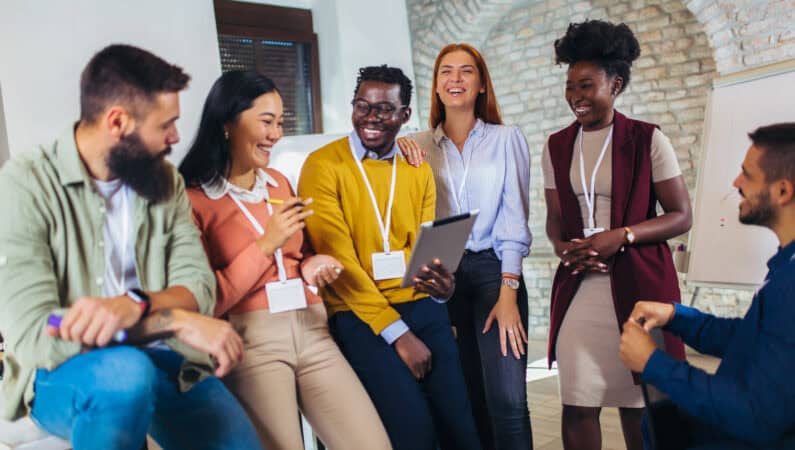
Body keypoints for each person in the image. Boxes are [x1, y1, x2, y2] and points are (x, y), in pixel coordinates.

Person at [0, 45, 262, 450]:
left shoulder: (166, 181)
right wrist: (170, 320)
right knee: (126, 373)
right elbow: (37, 328)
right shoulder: (25, 184)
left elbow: (198, 286)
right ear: (118, 122)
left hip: (166, 358)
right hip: (61, 366)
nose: (176, 137)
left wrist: (135, 304)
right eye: (165, 125)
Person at [179, 70, 392, 450]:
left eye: (279, 122)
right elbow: (207, 301)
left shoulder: (278, 182)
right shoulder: (193, 200)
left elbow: (297, 254)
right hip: (252, 342)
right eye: (266, 122)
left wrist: (312, 265)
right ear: (227, 123)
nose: (276, 134)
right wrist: (265, 244)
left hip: (312, 329)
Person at [297, 65, 482, 450]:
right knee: (413, 433)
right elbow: (339, 264)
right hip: (360, 314)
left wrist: (442, 288)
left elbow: (424, 250)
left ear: (404, 115)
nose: (371, 117)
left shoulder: (417, 168)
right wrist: (399, 334)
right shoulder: (322, 166)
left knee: (461, 428)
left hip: (421, 305)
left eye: (384, 109)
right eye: (362, 106)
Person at [542, 20, 692, 450]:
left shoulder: (647, 139)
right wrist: (561, 246)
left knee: (639, 405)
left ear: (616, 84)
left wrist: (622, 236)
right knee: (577, 402)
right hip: (581, 285)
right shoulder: (557, 146)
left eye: (586, 86)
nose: (576, 96)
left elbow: (681, 215)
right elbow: (555, 216)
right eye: (570, 87)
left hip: (641, 284)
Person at [620, 123, 795, 450]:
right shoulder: (786, 263)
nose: (736, 183)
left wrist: (654, 363)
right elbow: (751, 338)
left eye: (747, 175)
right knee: (659, 421)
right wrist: (676, 316)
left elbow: (757, 416)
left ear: (783, 192)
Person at [397, 43, 533, 450]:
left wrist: (508, 292)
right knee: (465, 398)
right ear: (436, 86)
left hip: (494, 271)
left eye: (466, 71)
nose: (455, 79)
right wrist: (398, 152)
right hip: (442, 274)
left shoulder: (506, 139)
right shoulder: (414, 145)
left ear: (481, 84)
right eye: (446, 71)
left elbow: (515, 217)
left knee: (508, 400)